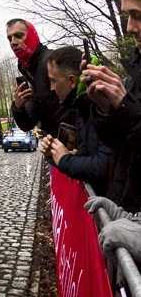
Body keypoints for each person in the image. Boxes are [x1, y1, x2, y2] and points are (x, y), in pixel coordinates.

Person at [82, 0, 141, 210]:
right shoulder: (133, 76)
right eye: (127, 16)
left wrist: (125, 107)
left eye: (137, 15)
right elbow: (116, 145)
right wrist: (105, 108)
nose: (130, 27)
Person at [38, 46, 112, 193]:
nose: (51, 88)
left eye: (53, 80)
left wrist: (65, 160)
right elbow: (89, 152)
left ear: (72, 81)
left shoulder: (102, 103)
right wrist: (57, 154)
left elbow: (105, 166)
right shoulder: (83, 106)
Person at [7, 19, 78, 137]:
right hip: (55, 146)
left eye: (19, 36)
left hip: (72, 147)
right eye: (10, 38)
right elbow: (27, 124)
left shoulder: (52, 62)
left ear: (31, 36)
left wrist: (70, 143)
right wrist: (18, 108)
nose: (13, 42)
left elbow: (75, 106)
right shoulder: (29, 71)